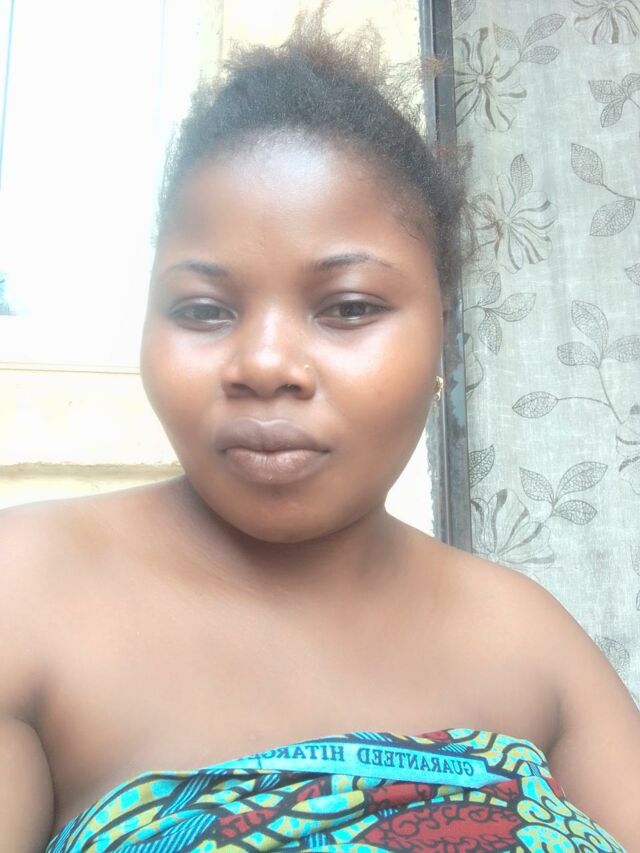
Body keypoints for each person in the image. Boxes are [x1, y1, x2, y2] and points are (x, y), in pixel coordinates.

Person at [1, 10, 638, 853]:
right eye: (203, 309)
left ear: (443, 336)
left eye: (348, 307)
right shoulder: (26, 592)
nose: (265, 363)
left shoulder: (532, 643)